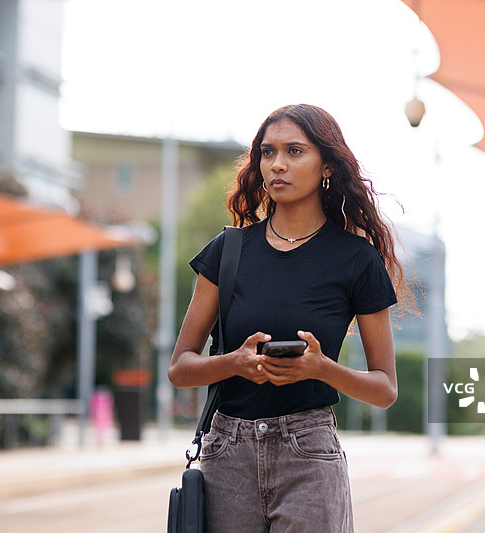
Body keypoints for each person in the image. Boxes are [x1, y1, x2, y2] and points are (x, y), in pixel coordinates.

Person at [168, 104, 411, 532]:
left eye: (295, 152)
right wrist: (234, 363)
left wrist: (321, 369)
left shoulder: (356, 260)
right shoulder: (228, 252)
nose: (277, 165)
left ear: (327, 167)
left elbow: (385, 389)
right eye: (267, 152)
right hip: (227, 456)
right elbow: (180, 368)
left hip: (309, 456)